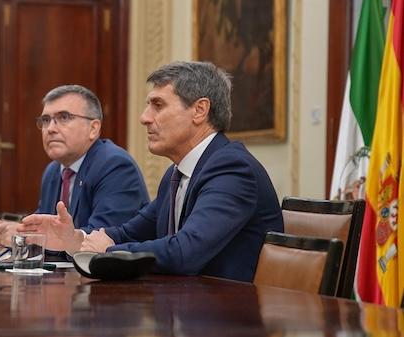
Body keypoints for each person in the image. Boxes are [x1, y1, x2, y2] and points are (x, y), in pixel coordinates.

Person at [20, 62, 284, 282]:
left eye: (158, 105)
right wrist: (75, 239)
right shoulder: (177, 173)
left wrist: (109, 250)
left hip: (232, 326)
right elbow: (129, 232)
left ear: (199, 111)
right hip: (188, 312)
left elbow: (185, 251)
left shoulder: (232, 169)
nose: (144, 117)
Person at [0, 85, 149, 250]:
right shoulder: (53, 170)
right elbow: (44, 226)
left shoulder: (115, 166)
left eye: (63, 117)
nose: (50, 129)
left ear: (93, 128)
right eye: (46, 120)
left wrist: (25, 237)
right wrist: (8, 230)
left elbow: (102, 238)